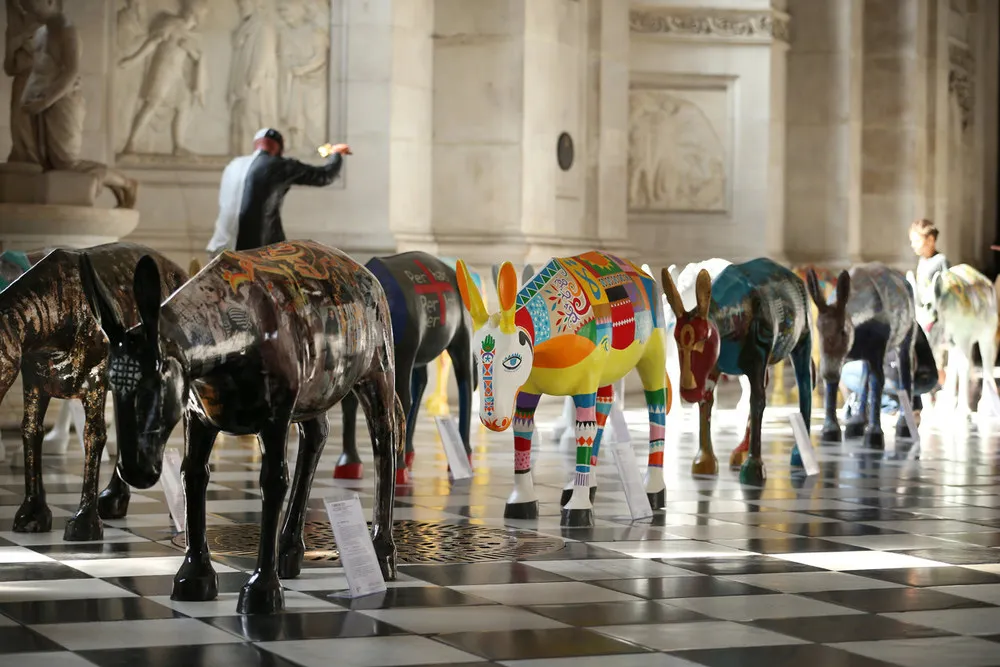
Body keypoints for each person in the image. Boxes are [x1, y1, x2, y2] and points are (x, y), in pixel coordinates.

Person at [206, 128, 351, 255]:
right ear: (279, 149)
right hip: (254, 253)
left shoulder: (233, 165)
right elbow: (325, 176)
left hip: (220, 248)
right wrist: (336, 154)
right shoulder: (279, 165)